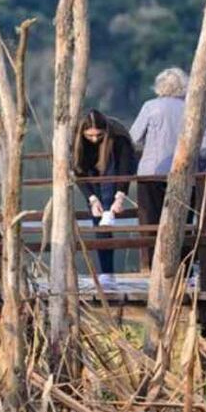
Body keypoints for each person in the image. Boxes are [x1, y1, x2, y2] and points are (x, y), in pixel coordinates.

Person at [130, 67, 206, 232]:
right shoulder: (196, 109)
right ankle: (184, 257)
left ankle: (152, 256)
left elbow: (133, 138)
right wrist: (199, 166)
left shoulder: (150, 107)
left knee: (151, 223)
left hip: (151, 173)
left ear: (159, 86)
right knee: (183, 225)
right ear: (185, 86)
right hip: (185, 174)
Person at [73, 110, 137, 284]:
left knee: (107, 214)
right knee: (98, 215)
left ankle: (108, 272)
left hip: (114, 168)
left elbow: (125, 167)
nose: (94, 140)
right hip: (91, 173)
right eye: (90, 136)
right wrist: (92, 199)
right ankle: (105, 271)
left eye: (98, 135)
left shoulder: (118, 137)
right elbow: (79, 172)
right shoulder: (77, 140)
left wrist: (120, 197)